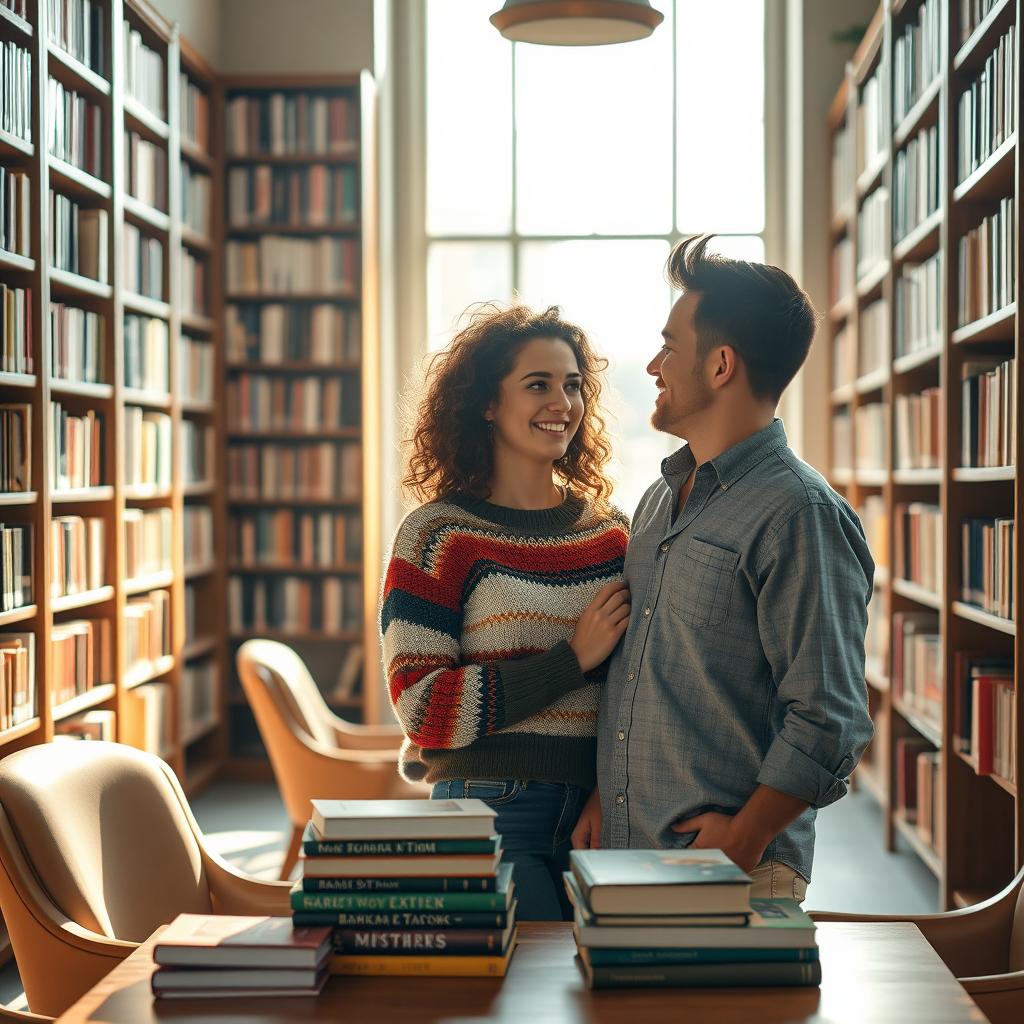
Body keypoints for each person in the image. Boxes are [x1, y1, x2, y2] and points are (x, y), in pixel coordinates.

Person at [572, 235, 874, 903]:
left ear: (721, 366)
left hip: (734, 871)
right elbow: (646, 675)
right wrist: (605, 792)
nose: (652, 364)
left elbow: (831, 718)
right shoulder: (656, 501)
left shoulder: (801, 513)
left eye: (669, 347)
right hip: (627, 852)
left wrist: (742, 839)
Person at [380, 303, 630, 920]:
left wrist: (603, 788)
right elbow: (423, 707)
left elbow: (634, 691)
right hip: (486, 805)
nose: (562, 403)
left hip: (604, 816)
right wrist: (569, 661)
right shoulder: (438, 537)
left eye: (573, 385)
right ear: (487, 403)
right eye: (538, 384)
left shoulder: (614, 536)